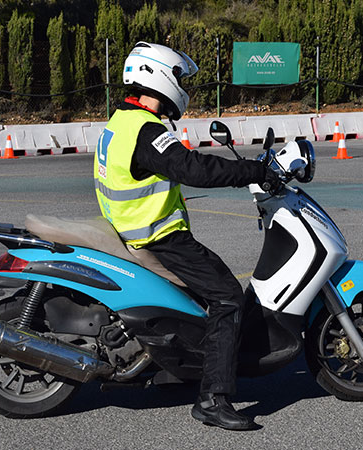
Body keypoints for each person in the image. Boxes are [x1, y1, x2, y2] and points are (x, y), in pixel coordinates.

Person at [93, 42, 280, 431]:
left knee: (200, 301)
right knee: (228, 297)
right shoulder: (146, 131)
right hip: (159, 237)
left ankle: (177, 369)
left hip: (131, 230)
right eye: (177, 76)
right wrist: (253, 171)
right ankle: (214, 399)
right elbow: (194, 169)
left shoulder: (120, 122)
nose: (181, 84)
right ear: (156, 76)